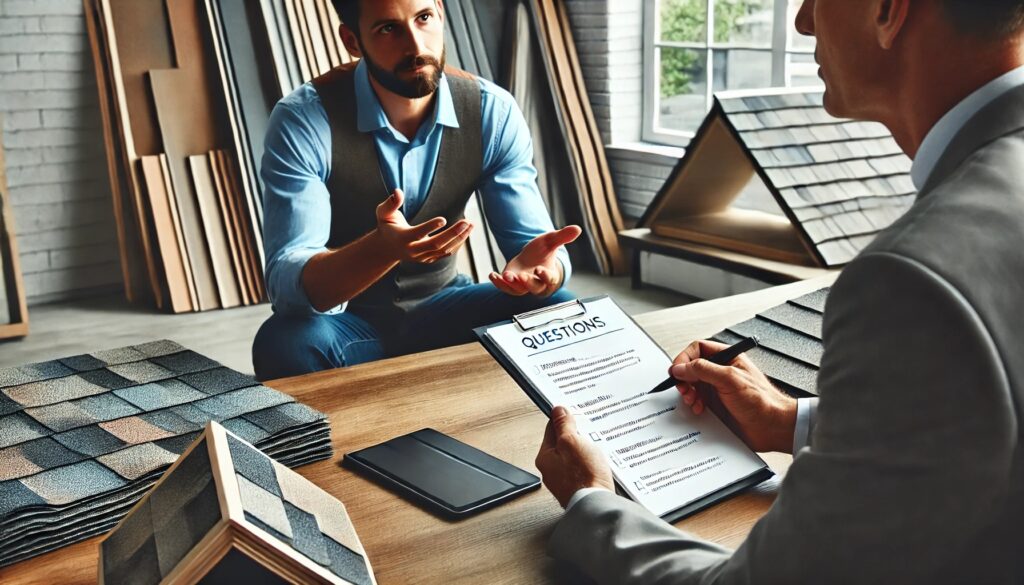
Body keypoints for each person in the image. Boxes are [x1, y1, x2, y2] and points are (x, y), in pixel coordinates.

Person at [535, 0, 1024, 582]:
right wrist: (789, 421)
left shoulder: (910, 280)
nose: (802, 21)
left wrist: (592, 501)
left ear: (890, 11)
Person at [252, 0, 581, 380]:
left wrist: (545, 270)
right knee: (284, 342)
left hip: (445, 307)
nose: (416, 46)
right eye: (388, 29)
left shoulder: (491, 112)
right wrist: (380, 249)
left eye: (423, 18)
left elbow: (535, 246)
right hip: (347, 327)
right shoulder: (305, 119)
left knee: (557, 307)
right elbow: (288, 287)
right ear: (352, 40)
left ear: (440, 13)